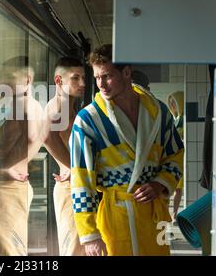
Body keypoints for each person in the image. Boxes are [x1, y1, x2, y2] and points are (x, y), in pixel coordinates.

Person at [70, 44, 184, 256]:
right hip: (115, 216)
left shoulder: (158, 112)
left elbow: (175, 154)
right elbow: (81, 180)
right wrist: (90, 235)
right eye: (96, 78)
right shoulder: (88, 120)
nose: (100, 85)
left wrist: (160, 183)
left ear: (127, 72)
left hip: (153, 214)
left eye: (107, 76)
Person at [0, 56, 45, 256]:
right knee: (7, 246)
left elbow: (33, 137)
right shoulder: (25, 103)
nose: (2, 82)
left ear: (27, 80)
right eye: (1, 76)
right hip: (12, 185)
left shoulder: (24, 103)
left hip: (10, 186)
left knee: (9, 250)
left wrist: (5, 167)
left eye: (9, 77)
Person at [44, 57, 86, 256]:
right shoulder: (58, 106)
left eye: (84, 78)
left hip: (75, 185)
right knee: (73, 250)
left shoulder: (69, 106)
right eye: (75, 78)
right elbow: (46, 136)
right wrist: (71, 168)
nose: (83, 84)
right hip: (69, 187)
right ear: (59, 81)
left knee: (82, 248)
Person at [167, 91, 185, 221]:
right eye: (171, 102)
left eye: (174, 102)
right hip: (172, 158)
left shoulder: (184, 120)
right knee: (170, 187)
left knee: (178, 189)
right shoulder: (174, 120)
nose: (172, 105)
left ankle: (174, 213)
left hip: (181, 159)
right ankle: (170, 213)